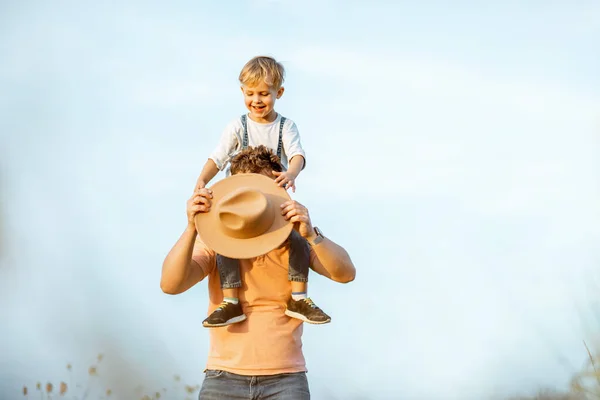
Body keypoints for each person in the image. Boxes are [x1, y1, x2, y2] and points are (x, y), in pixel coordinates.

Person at [161, 146, 356, 399]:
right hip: (223, 378)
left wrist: (312, 235)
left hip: (286, 380)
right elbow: (170, 284)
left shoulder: (296, 235)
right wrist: (192, 229)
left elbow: (345, 273)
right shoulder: (215, 241)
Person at [193, 56, 328, 327]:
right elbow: (218, 158)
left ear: (278, 93)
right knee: (225, 241)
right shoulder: (237, 126)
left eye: (264, 94)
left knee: (297, 239)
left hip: (271, 201)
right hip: (238, 202)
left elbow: (297, 155)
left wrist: (291, 173)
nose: (257, 100)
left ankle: (298, 296)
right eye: (250, 93)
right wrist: (201, 181)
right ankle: (231, 301)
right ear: (242, 92)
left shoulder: (285, 127)